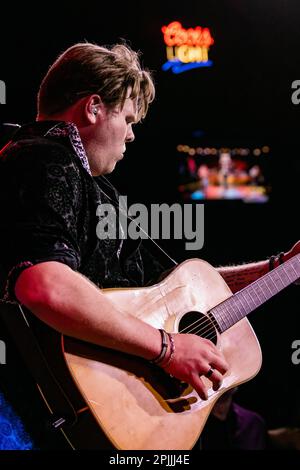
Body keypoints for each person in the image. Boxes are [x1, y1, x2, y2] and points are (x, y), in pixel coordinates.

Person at [0, 41, 299, 449]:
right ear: (93, 108)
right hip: (20, 418)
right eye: (126, 117)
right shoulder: (44, 159)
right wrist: (167, 348)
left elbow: (187, 292)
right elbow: (43, 285)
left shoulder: (91, 187)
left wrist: (282, 268)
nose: (132, 134)